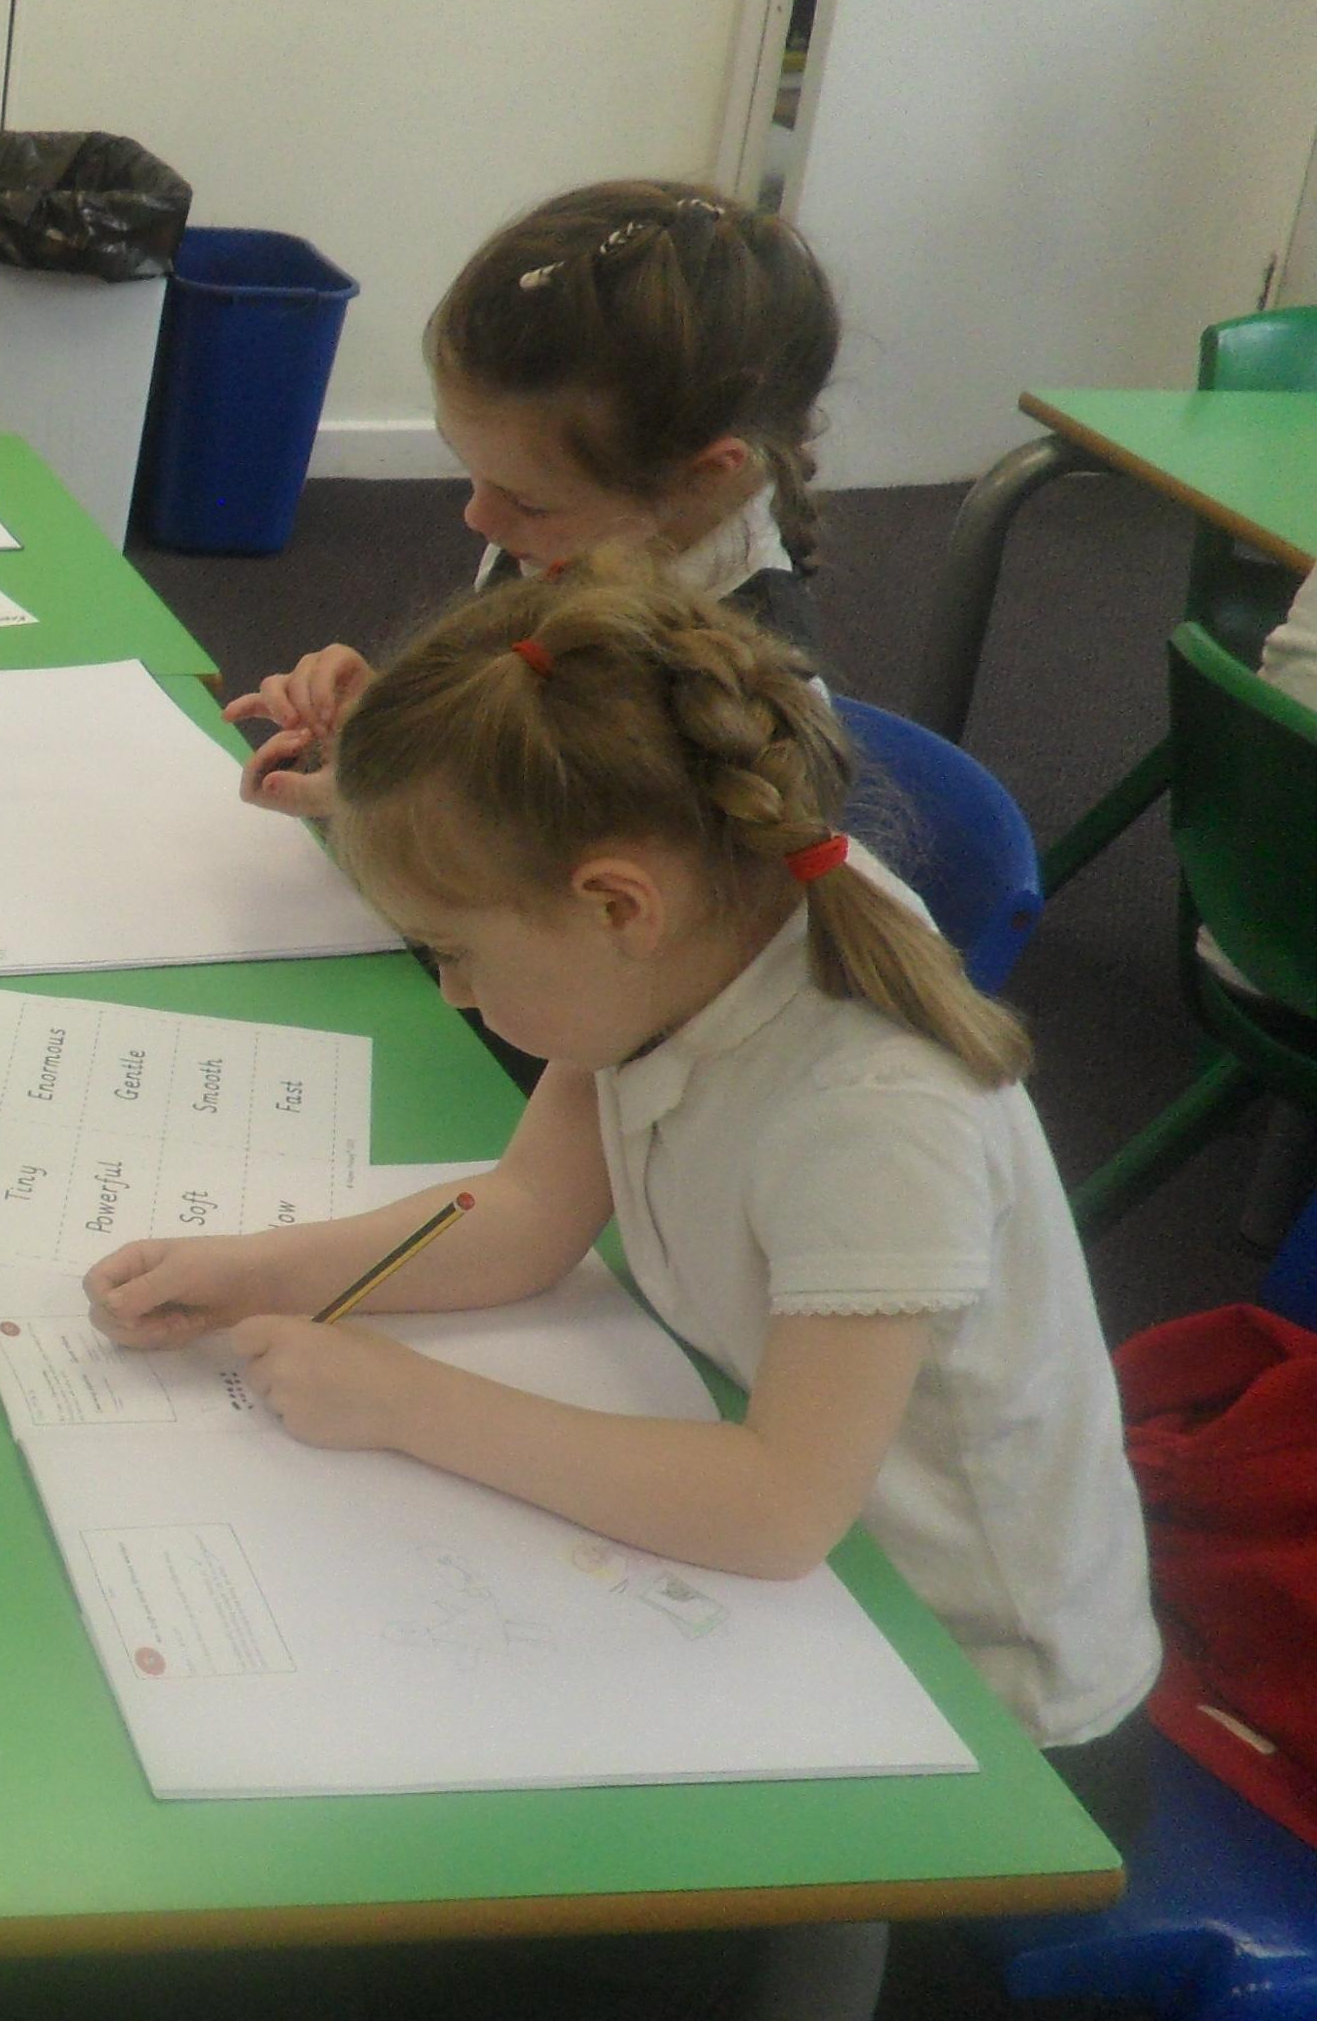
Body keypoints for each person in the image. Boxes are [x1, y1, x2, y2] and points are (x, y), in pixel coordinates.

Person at [86, 567, 1159, 1835]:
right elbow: (530, 1214)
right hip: (807, 1589)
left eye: (457, 953)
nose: (452, 995)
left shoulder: (874, 1111)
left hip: (983, 1706)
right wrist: (256, 1271)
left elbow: (777, 1509)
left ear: (613, 904)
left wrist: (401, 1401)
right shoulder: (686, 936)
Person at [227, 181, 842, 821]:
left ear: (705, 474)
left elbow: (584, 859)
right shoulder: (575, 530)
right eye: (472, 473)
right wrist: (397, 725)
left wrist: (394, 809)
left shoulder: (745, 707)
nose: (478, 518)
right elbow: (517, 728)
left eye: (528, 501)